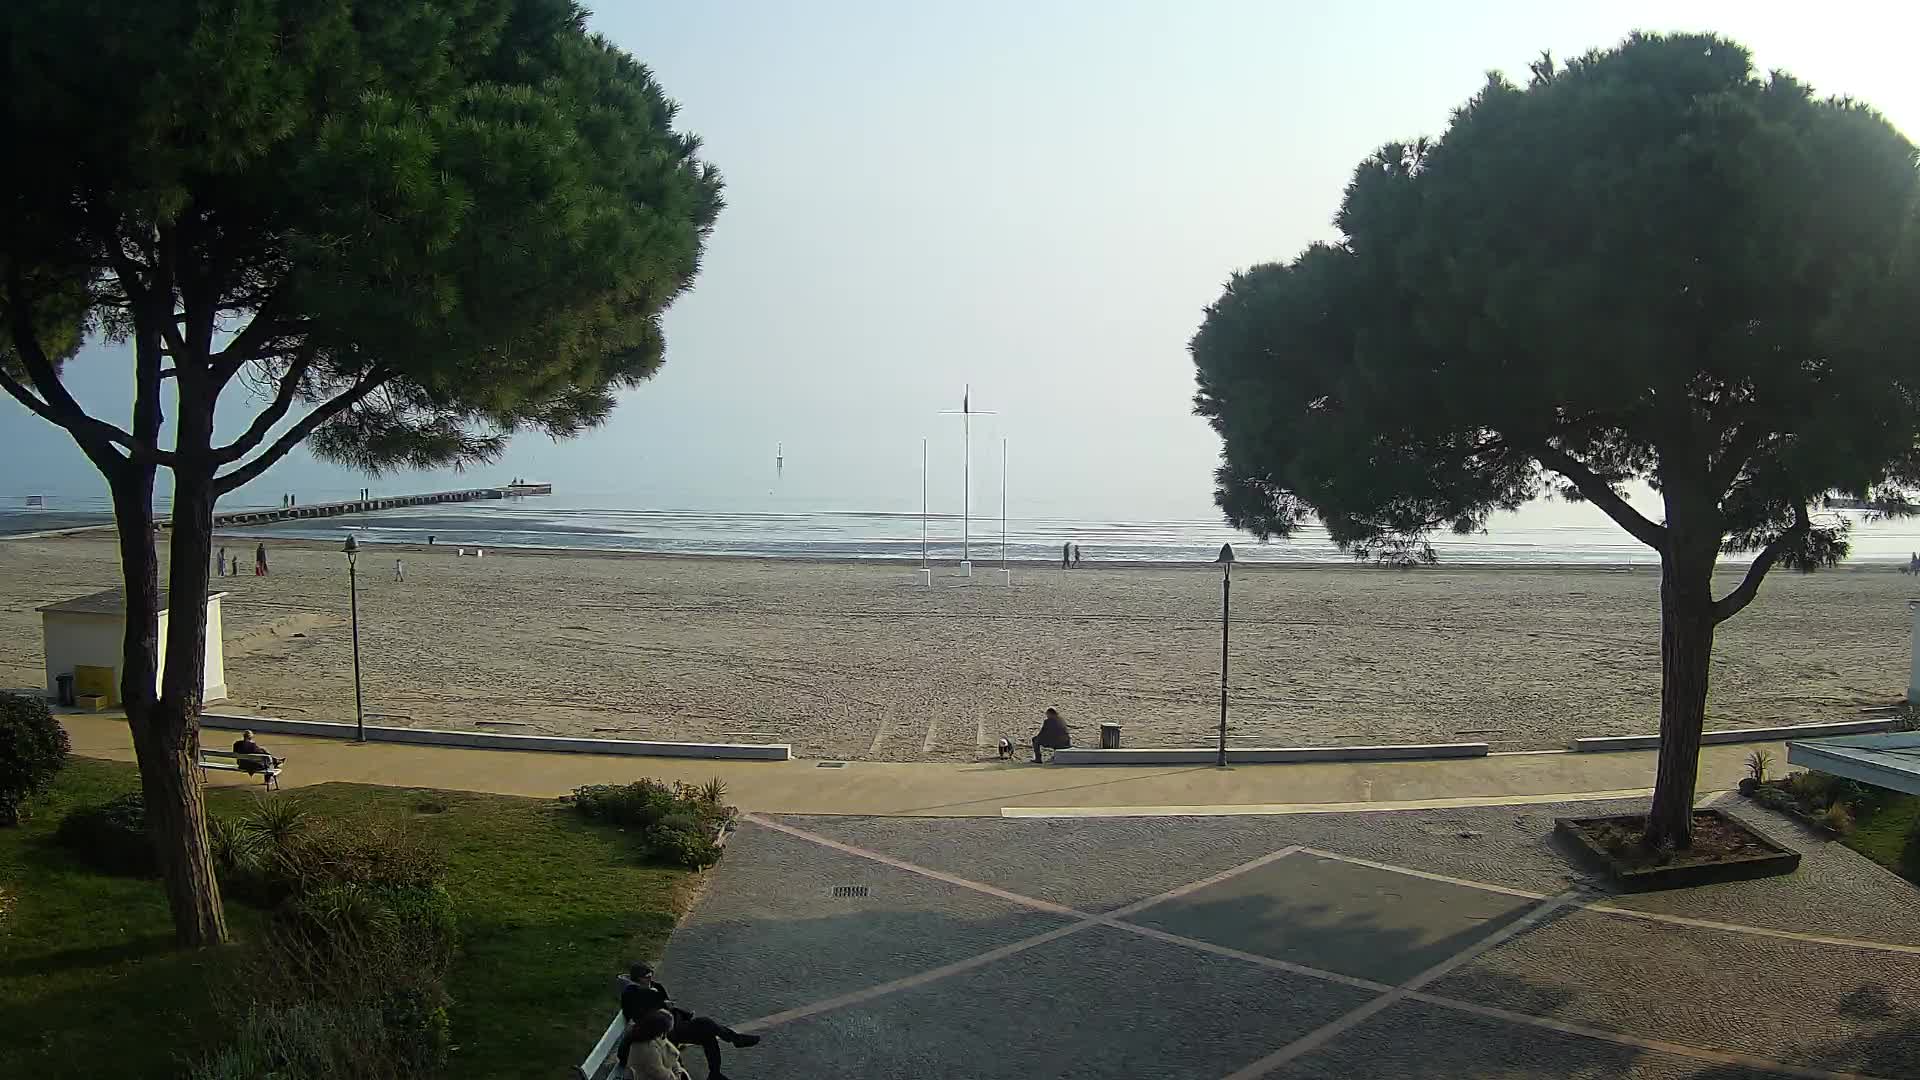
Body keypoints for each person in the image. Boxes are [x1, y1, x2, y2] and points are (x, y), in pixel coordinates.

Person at [617, 962, 759, 1080]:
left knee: (706, 1030)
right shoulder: (632, 993)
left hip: (674, 1024)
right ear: (637, 979)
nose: (649, 978)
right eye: (645, 977)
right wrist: (661, 1005)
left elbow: (667, 1005)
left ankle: (716, 1072)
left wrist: (669, 1007)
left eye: (650, 975)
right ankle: (735, 1039)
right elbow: (636, 1014)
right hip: (659, 1030)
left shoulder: (656, 987)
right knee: (705, 1026)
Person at [619, 1008, 691, 1080]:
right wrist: (677, 1073)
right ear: (659, 1030)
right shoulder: (647, 1048)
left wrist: (677, 1069)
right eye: (665, 1032)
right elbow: (661, 1075)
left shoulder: (644, 1035)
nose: (665, 1035)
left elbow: (670, 1058)